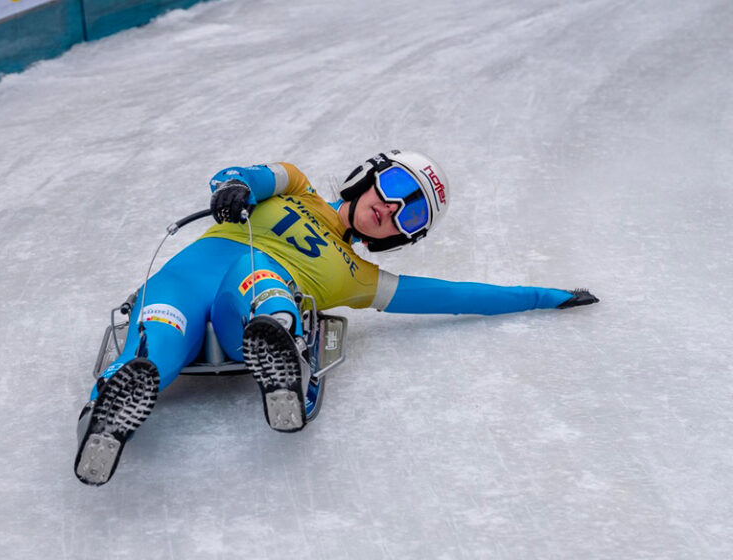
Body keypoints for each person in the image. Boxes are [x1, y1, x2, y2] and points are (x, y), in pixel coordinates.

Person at [74, 150, 598, 486]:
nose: (392, 209)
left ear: (403, 238)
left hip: (248, 299)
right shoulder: (295, 185)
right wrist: (233, 190)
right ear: (366, 176)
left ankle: (279, 350)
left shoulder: (360, 276)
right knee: (159, 330)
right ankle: (109, 415)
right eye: (394, 189)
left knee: (259, 273)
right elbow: (241, 175)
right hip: (185, 282)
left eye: (411, 214)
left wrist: (544, 297)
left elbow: (460, 295)